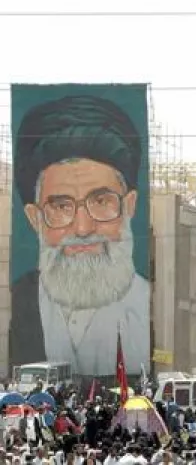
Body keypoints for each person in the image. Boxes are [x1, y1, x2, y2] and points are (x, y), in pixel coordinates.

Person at [9, 94, 150, 377]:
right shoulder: (15, 305)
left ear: (129, 206)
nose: (83, 228)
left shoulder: (149, 307)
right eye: (61, 207)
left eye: (101, 201)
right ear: (35, 218)